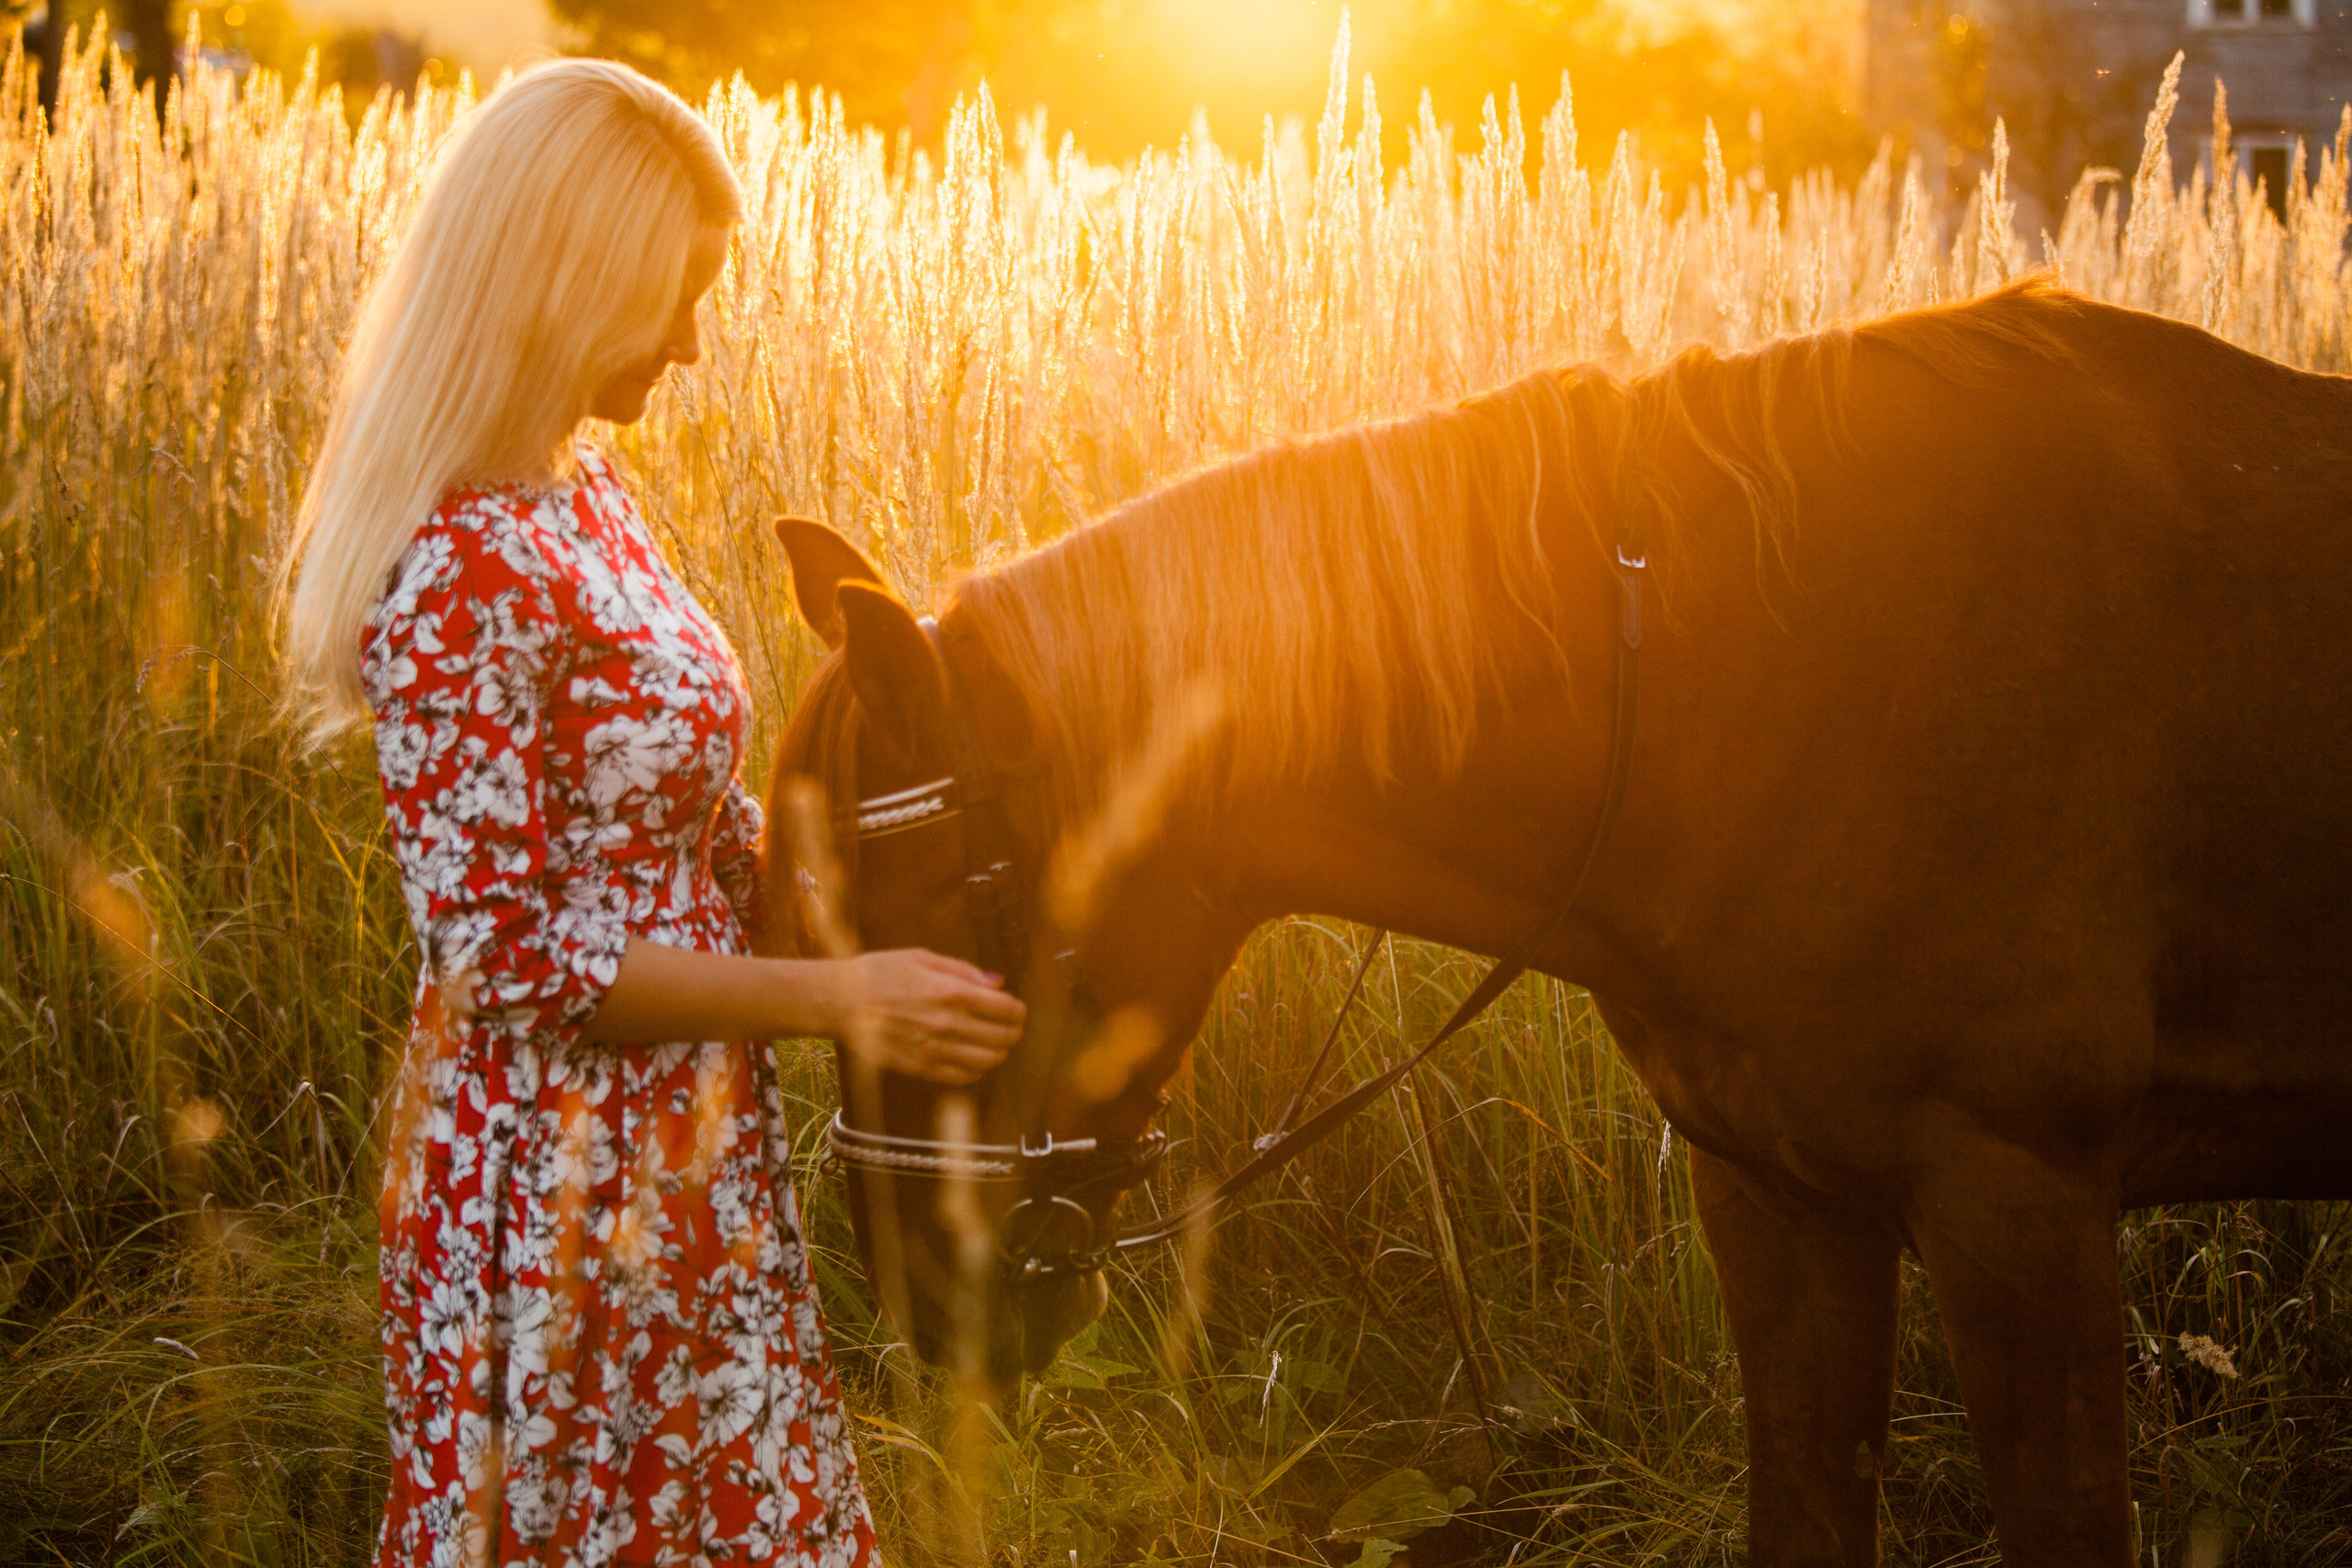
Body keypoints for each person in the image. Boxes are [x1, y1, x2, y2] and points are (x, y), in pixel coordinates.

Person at [277, 59, 1024, 1567]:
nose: (691, 344)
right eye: (670, 298)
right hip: (558, 1181)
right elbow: (506, 957)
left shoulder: (585, 491)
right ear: (569, 280)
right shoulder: (464, 568)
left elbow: (649, 800)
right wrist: (835, 999)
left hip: (685, 1139)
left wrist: (795, 874)